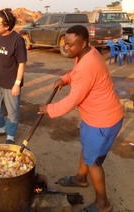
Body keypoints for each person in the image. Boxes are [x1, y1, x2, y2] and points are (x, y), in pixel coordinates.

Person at [38, 25, 124, 212]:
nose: (66, 48)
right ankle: (80, 179)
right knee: (87, 149)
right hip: (93, 118)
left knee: (93, 162)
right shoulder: (88, 53)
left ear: (83, 43)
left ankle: (103, 204)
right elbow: (76, 74)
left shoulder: (88, 65)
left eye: (70, 45)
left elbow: (73, 99)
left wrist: (50, 109)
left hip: (103, 121)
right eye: (65, 43)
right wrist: (65, 79)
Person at [0, 9, 27, 145]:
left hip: (11, 82)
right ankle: (0, 128)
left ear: (7, 26)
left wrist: (17, 83)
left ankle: (10, 134)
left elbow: (22, 64)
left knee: (12, 109)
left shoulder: (18, 41)